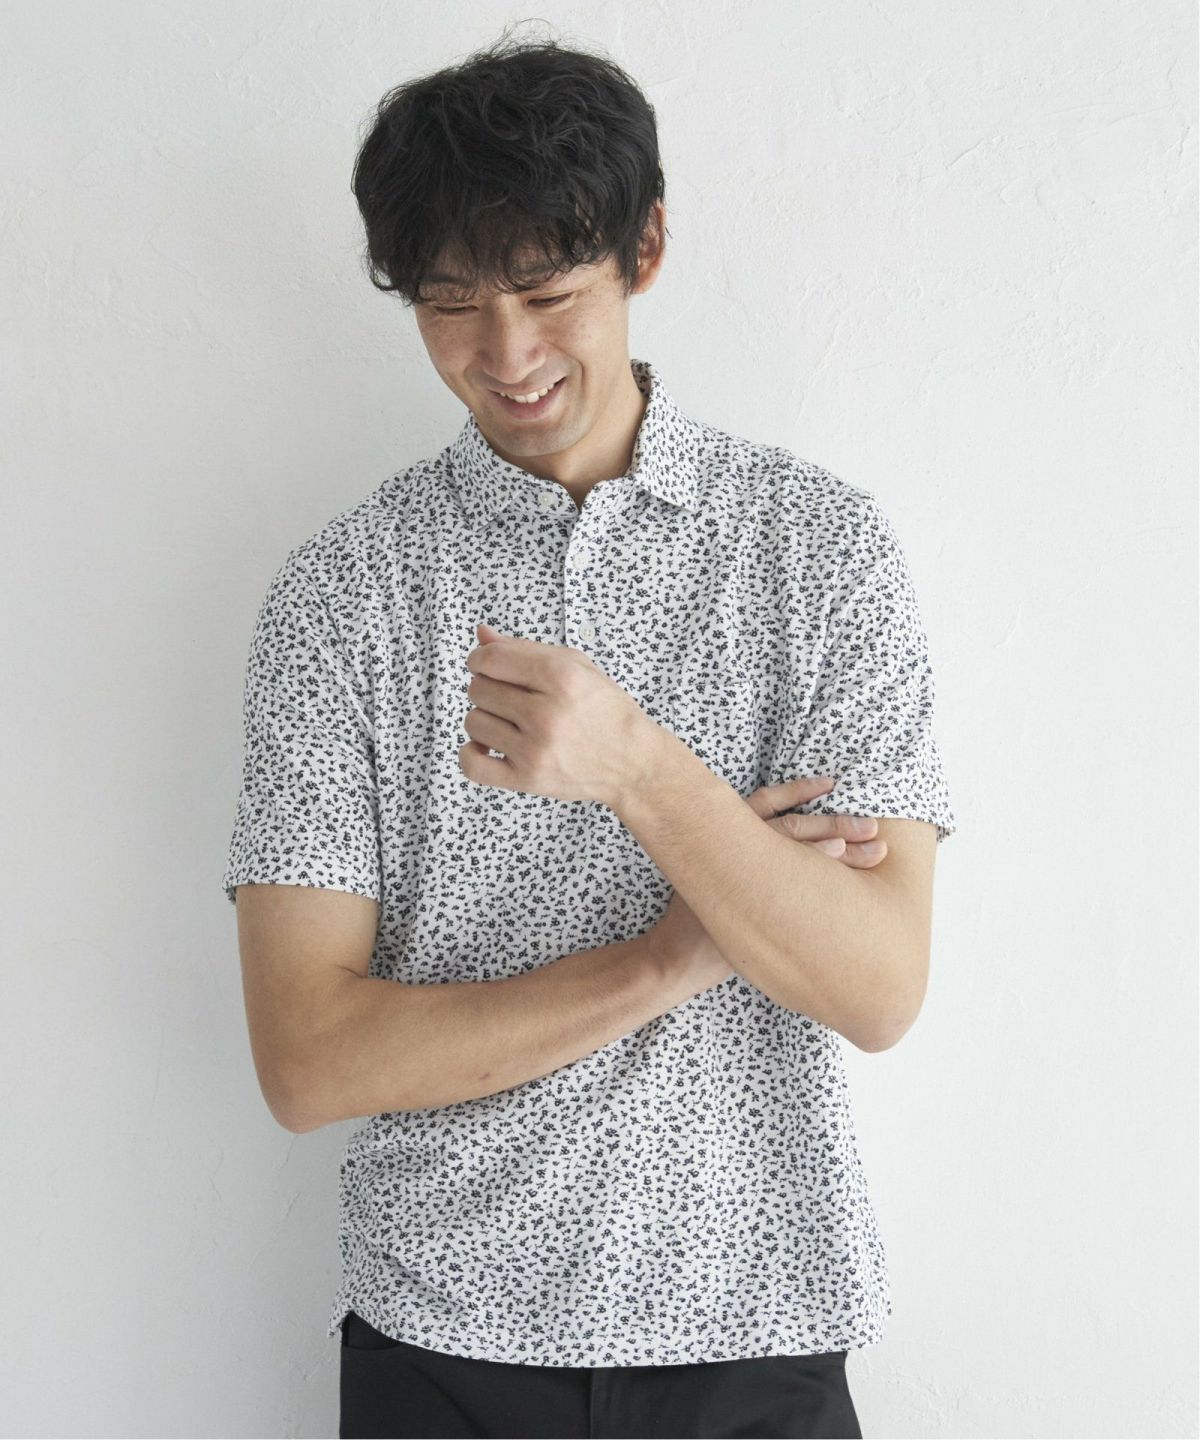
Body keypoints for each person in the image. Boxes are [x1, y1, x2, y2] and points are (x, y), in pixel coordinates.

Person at [222, 26, 956, 1440]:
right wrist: (678, 955)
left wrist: (638, 769)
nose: (506, 356)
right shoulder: (342, 594)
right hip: (441, 1338)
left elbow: (876, 987)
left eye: (549, 293)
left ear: (646, 249)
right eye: (450, 306)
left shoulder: (820, 550)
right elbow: (307, 1061)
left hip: (756, 1323)